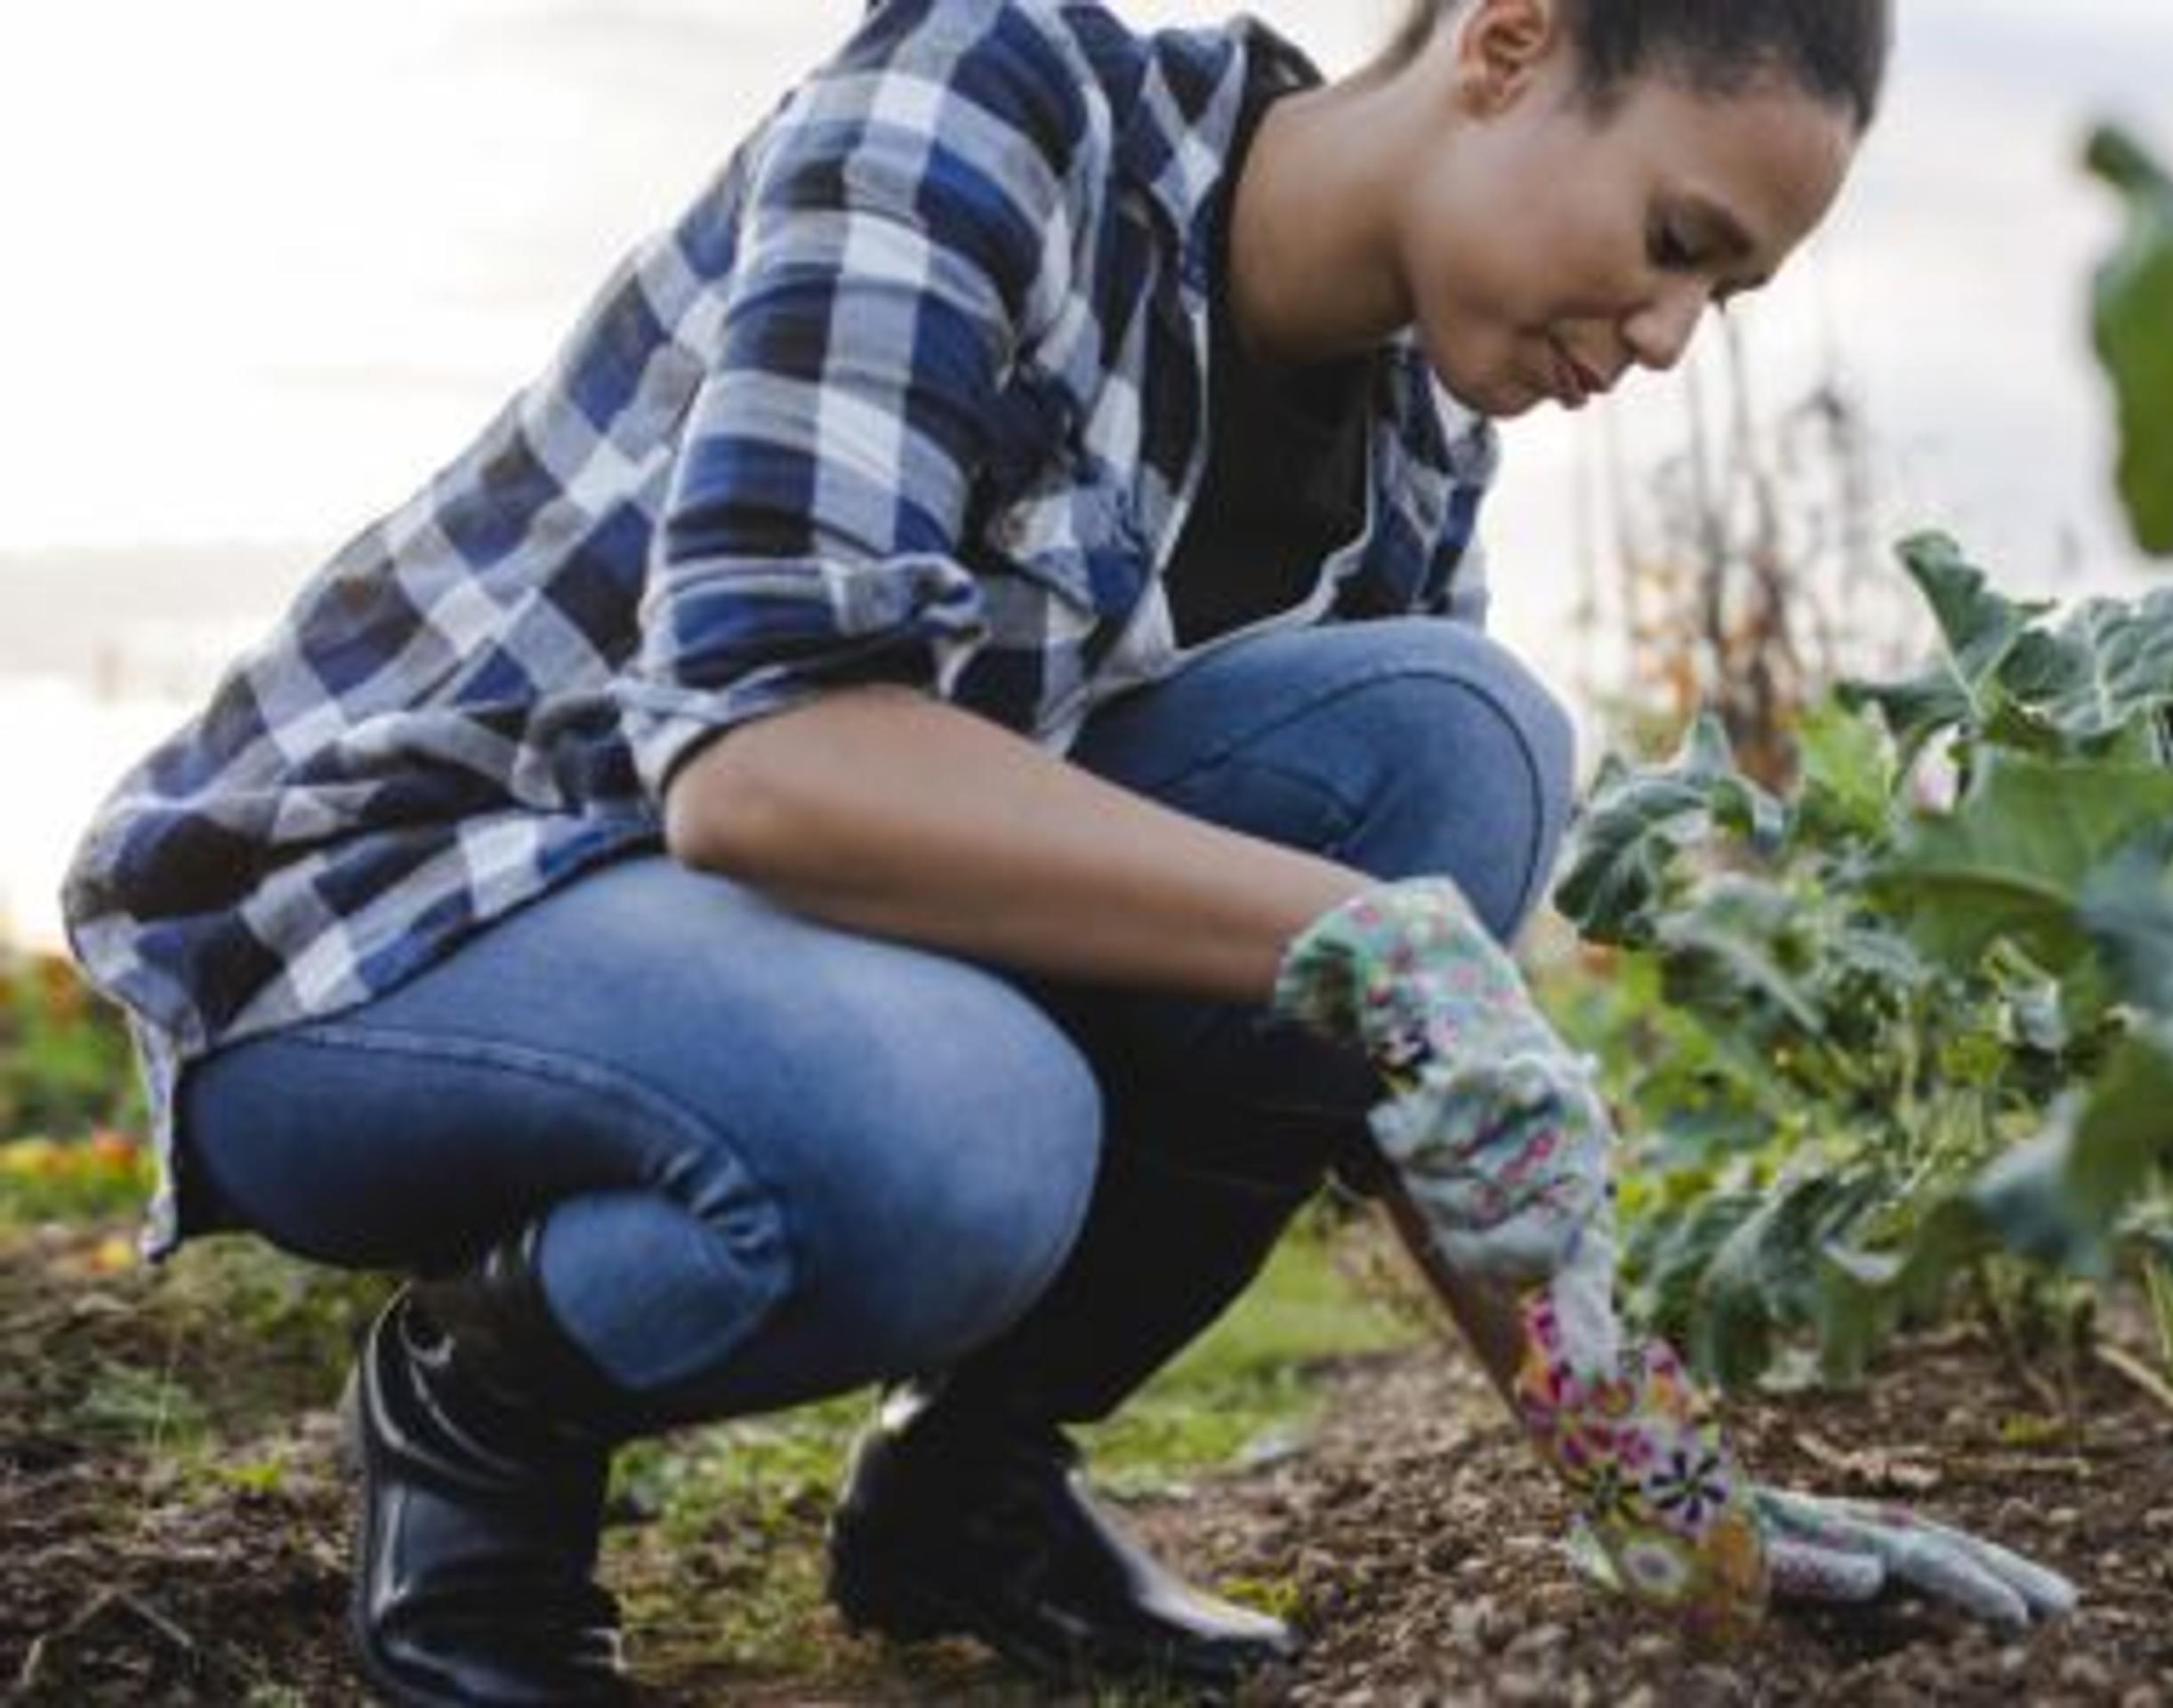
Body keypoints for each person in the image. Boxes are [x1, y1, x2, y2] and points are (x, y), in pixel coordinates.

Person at [54, 1, 2071, 1702]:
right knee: (969, 1128)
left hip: (741, 956)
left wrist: (1652, 1474)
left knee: (1456, 744)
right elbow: (763, 766)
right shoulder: (998, 102)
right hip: (377, 932)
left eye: (1728, 292)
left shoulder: (1409, 451)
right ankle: (477, 1411)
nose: (1666, 340)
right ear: (1511, 42)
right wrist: (1372, 941)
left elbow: (1397, 1046)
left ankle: (966, 1485)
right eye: (1675, 236)